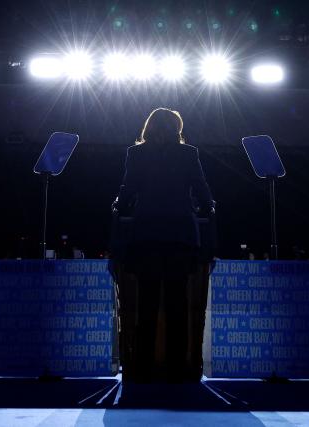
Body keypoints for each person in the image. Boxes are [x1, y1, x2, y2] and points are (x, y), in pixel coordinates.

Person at [111, 108, 215, 383]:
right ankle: (178, 369)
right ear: (176, 129)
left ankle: (142, 368)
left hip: (146, 234)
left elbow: (128, 189)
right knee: (177, 303)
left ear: (148, 127)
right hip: (180, 235)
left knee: (146, 303)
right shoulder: (188, 153)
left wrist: (118, 207)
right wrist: (207, 207)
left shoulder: (136, 154)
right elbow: (202, 190)